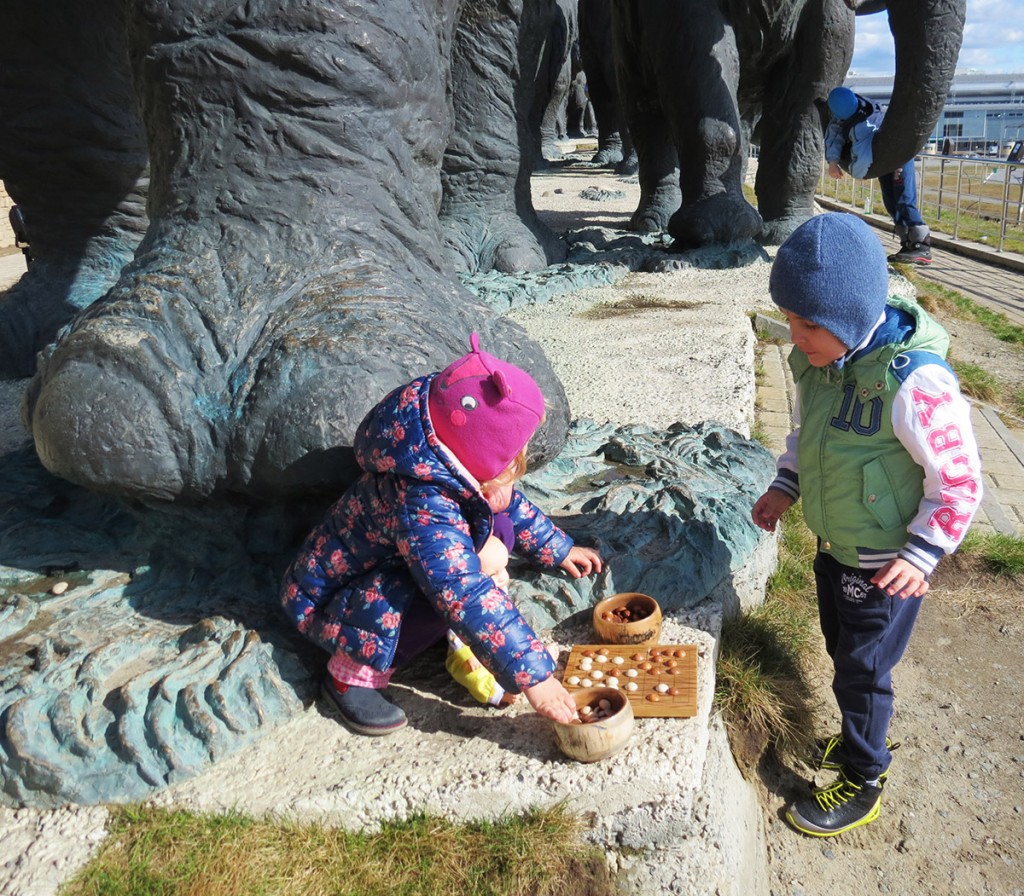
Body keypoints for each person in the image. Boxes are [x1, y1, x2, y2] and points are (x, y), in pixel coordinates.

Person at [752, 212, 983, 836]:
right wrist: (785, 485)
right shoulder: (828, 364)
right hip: (839, 547)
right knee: (845, 651)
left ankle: (865, 772)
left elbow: (959, 480)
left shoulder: (913, 383)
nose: (795, 338)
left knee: (864, 667)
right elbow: (813, 435)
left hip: (884, 564)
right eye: (792, 320)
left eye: (806, 324)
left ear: (850, 316)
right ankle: (860, 739)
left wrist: (922, 551)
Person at [280, 333, 604, 735]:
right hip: (339, 601)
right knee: (440, 597)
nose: (510, 473)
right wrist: (535, 678)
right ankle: (350, 676)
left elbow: (509, 507)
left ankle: (450, 630)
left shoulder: (437, 449)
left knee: (496, 517)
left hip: (412, 556)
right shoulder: (421, 501)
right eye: (504, 462)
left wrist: (558, 548)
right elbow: (459, 590)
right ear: (472, 452)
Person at [824, 86, 933, 265]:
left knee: (904, 199)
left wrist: (855, 172)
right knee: (890, 200)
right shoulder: (848, 110)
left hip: (898, 157)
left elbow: (862, 161)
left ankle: (922, 245)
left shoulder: (863, 124)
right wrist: (833, 161)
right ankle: (907, 243)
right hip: (883, 159)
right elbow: (833, 135)